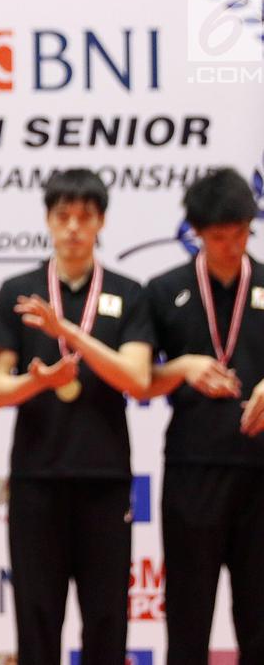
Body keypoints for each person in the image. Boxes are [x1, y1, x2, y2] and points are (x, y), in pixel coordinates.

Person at [0, 169, 153, 665]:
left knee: (106, 617)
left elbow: (137, 378)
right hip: (37, 478)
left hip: (105, 479)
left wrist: (69, 333)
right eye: (63, 216)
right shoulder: (18, 291)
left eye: (85, 216)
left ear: (101, 221)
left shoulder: (128, 292)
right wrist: (41, 381)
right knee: (36, 614)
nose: (74, 227)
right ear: (48, 220)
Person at [143, 168, 264, 663]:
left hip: (260, 471)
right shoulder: (164, 289)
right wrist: (183, 367)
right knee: (188, 616)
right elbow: (140, 381)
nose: (232, 246)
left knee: (260, 616)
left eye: (242, 234)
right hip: (192, 469)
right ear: (195, 232)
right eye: (219, 237)